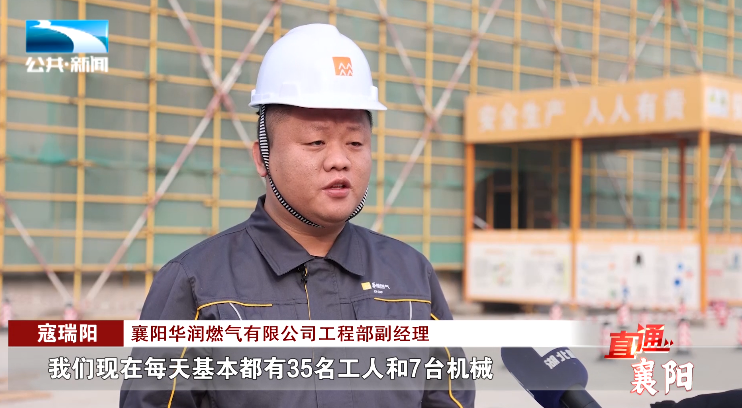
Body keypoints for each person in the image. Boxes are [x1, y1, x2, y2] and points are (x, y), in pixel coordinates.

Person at [119, 23, 475, 408]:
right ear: (262, 157)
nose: (339, 160)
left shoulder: (411, 276)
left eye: (355, 142)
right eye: (315, 141)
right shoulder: (197, 285)